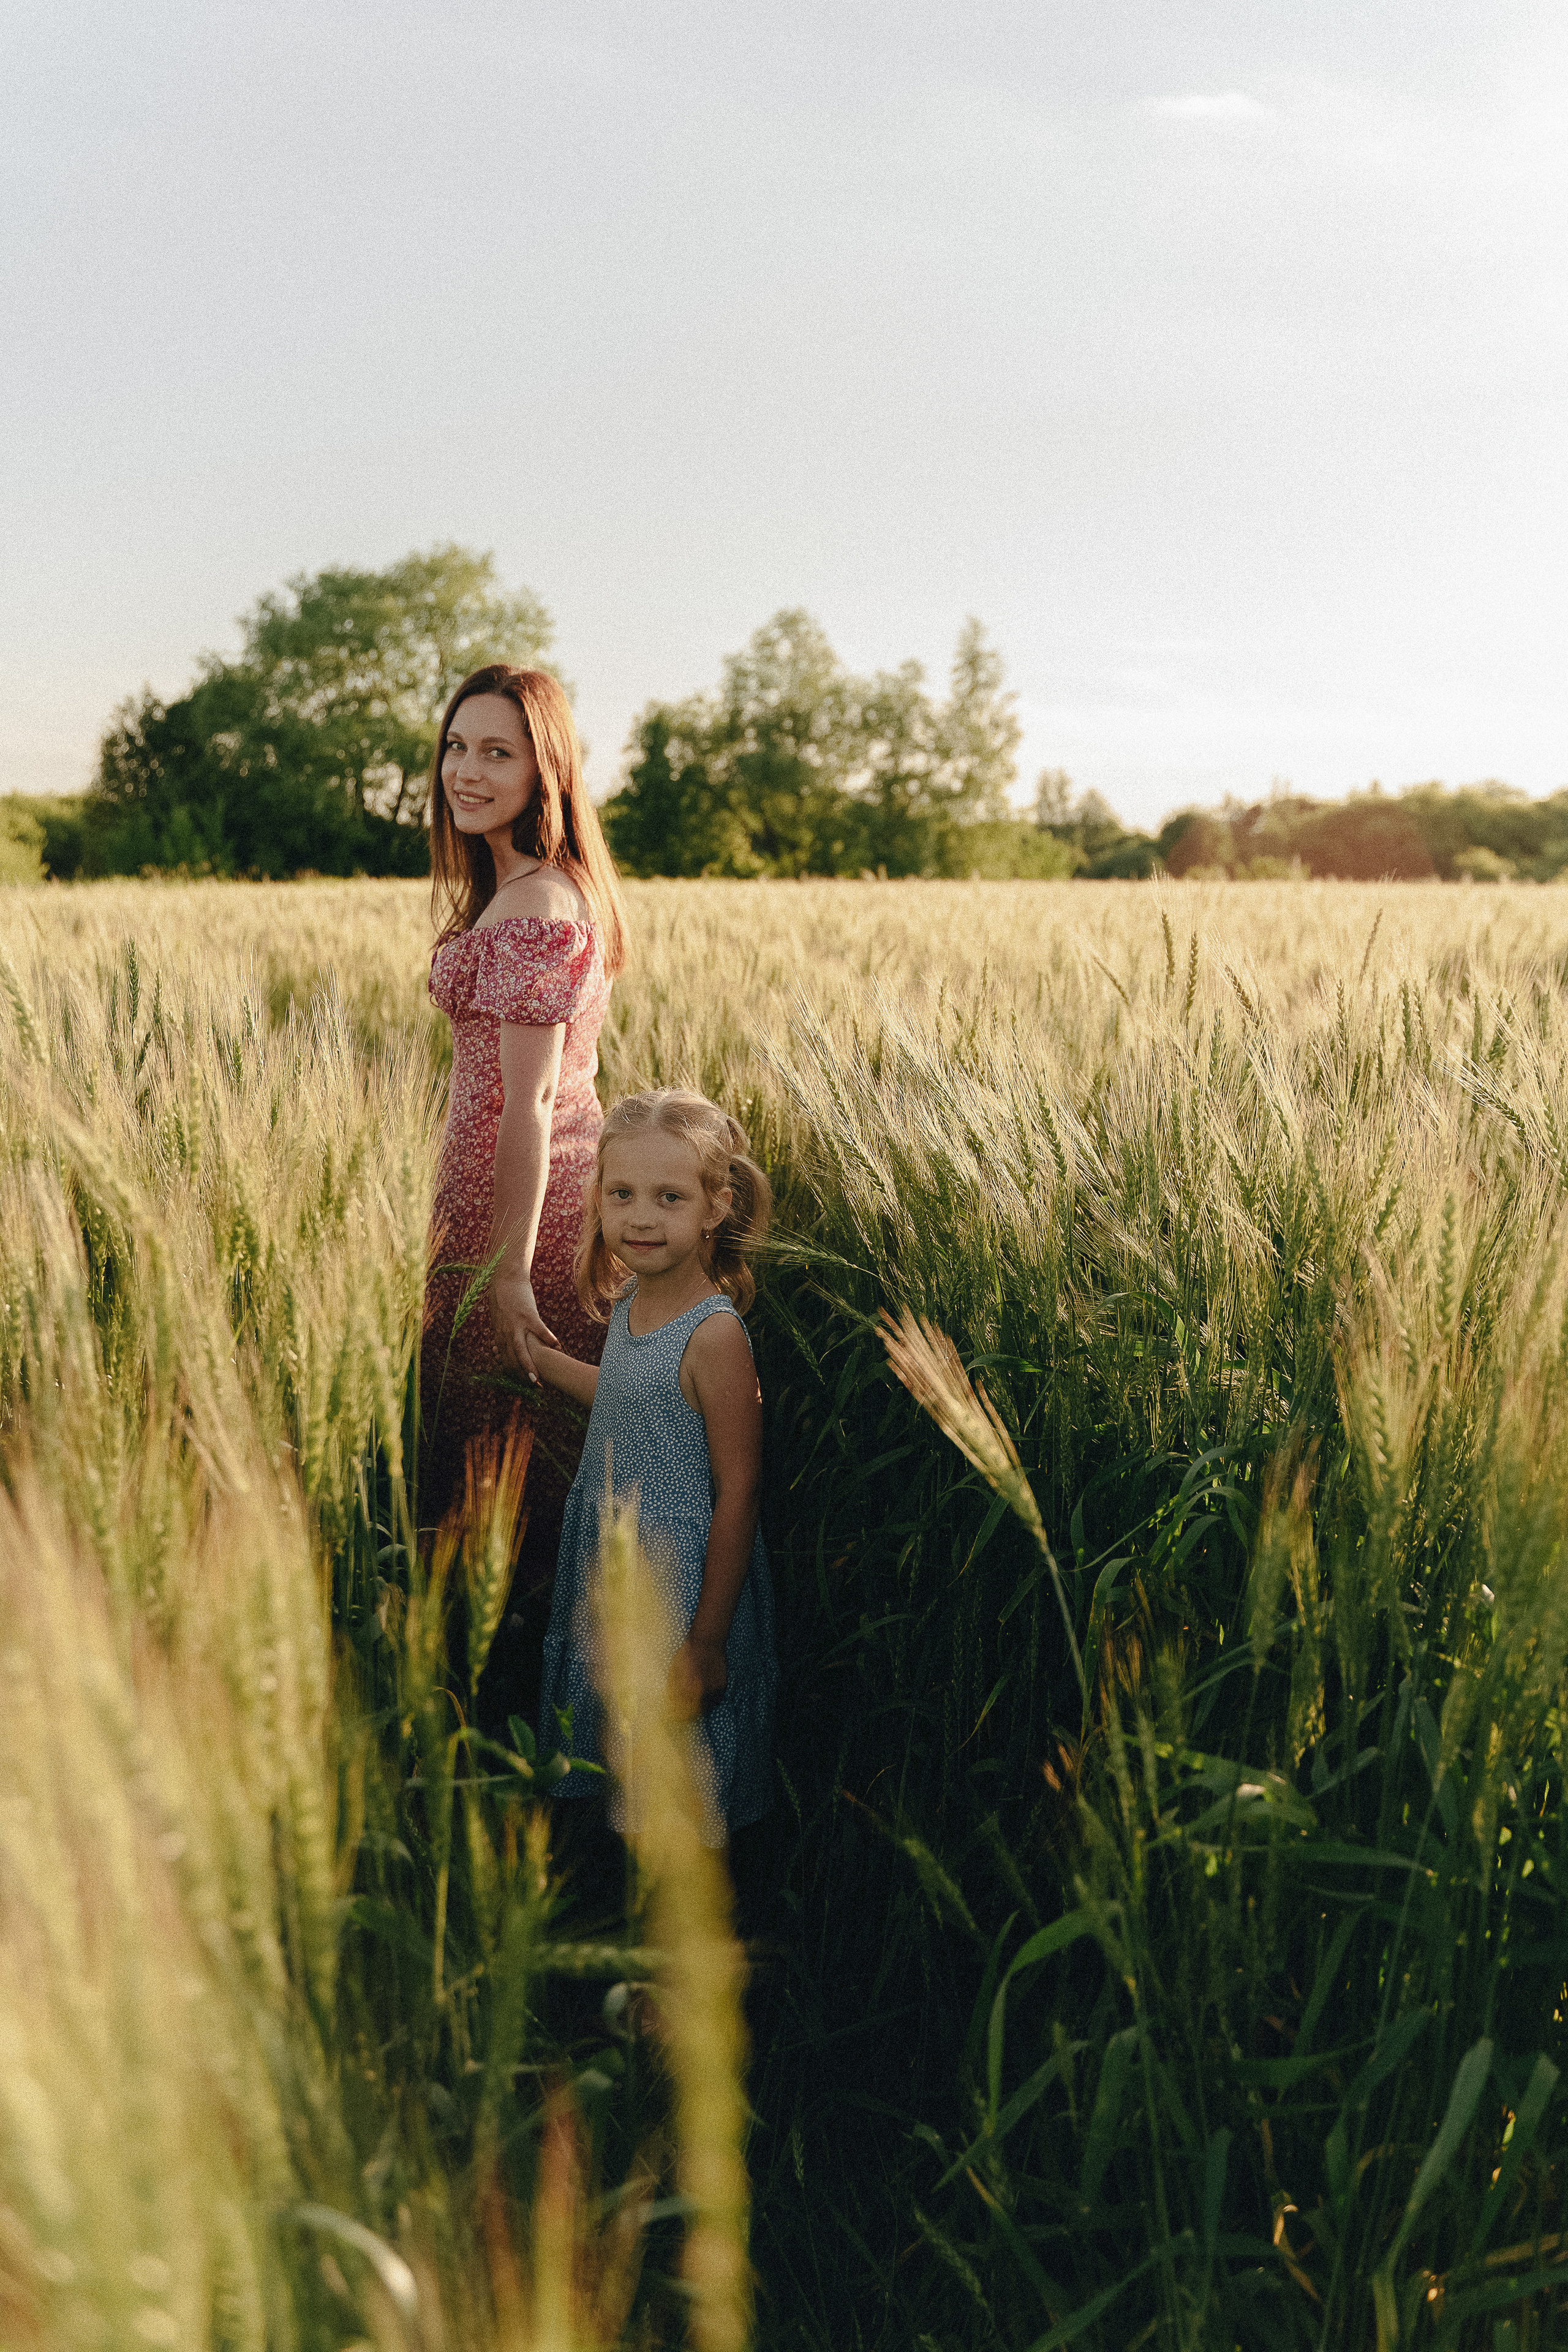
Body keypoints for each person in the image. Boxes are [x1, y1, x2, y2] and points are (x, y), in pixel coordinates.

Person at [421, 664, 629, 1663]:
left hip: (527, 1220)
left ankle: (535, 1701)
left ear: (545, 767)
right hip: (487, 1209)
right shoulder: (519, 886)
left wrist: (505, 1271)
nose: (467, 769)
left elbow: (534, 1102)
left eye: (496, 751)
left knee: (519, 1459)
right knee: (494, 1450)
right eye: (457, 746)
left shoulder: (541, 901)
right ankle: (524, 1690)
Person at [528, 1090, 777, 1850]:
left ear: (714, 1208)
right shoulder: (636, 1302)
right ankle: (626, 1897)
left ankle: (690, 1929)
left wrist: (704, 1644)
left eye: (669, 1197)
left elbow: (740, 1491)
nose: (640, 1217)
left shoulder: (715, 1336)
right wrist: (542, 1361)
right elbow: (632, 1401)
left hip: (679, 1582)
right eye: (622, 1194)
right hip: (616, 1559)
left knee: (676, 1766)